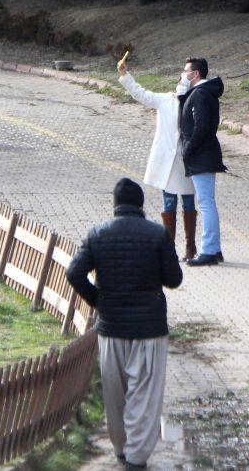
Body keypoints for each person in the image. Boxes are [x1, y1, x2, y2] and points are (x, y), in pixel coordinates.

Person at [66, 178, 183, 471]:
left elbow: (74, 273)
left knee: (115, 394)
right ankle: (137, 457)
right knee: (145, 395)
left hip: (111, 327)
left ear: (115, 204)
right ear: (141, 204)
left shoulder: (97, 234)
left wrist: (99, 302)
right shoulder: (157, 234)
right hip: (150, 330)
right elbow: (174, 279)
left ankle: (120, 449)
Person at [117, 54, 198, 261]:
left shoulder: (197, 99)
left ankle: (190, 247)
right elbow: (141, 94)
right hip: (167, 161)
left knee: (189, 203)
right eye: (181, 79)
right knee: (168, 202)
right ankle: (169, 248)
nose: (182, 81)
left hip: (186, 159)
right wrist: (125, 75)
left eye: (186, 77)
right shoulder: (166, 100)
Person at [179, 57, 226, 267]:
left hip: (202, 155)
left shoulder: (200, 94)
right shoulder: (200, 93)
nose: (183, 74)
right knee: (207, 202)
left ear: (196, 74)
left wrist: (187, 150)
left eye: (186, 71)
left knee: (206, 204)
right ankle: (214, 248)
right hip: (203, 154)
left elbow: (201, 127)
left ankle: (209, 250)